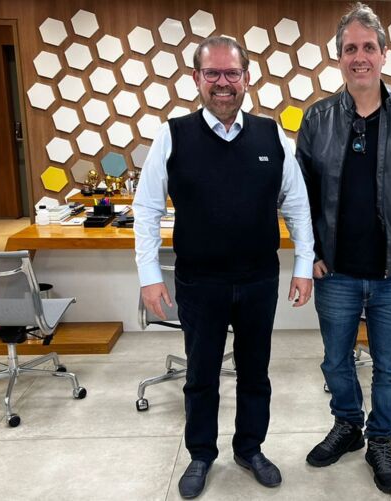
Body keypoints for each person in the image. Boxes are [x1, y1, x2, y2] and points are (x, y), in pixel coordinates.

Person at [133, 36, 314, 499]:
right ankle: (200, 453)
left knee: (256, 372)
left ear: (247, 78)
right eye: (211, 73)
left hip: (257, 279)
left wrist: (303, 265)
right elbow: (147, 209)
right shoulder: (172, 135)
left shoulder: (272, 135)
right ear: (196, 79)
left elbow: (297, 205)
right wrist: (150, 277)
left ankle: (250, 448)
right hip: (200, 282)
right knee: (201, 375)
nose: (222, 82)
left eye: (231, 73)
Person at [295, 2, 391, 495]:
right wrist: (307, 252)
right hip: (333, 271)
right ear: (339, 57)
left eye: (368, 47)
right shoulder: (317, 118)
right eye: (350, 48)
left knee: (390, 367)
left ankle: (381, 439)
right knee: (335, 362)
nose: (360, 56)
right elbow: (301, 198)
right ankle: (347, 426)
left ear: (384, 53)